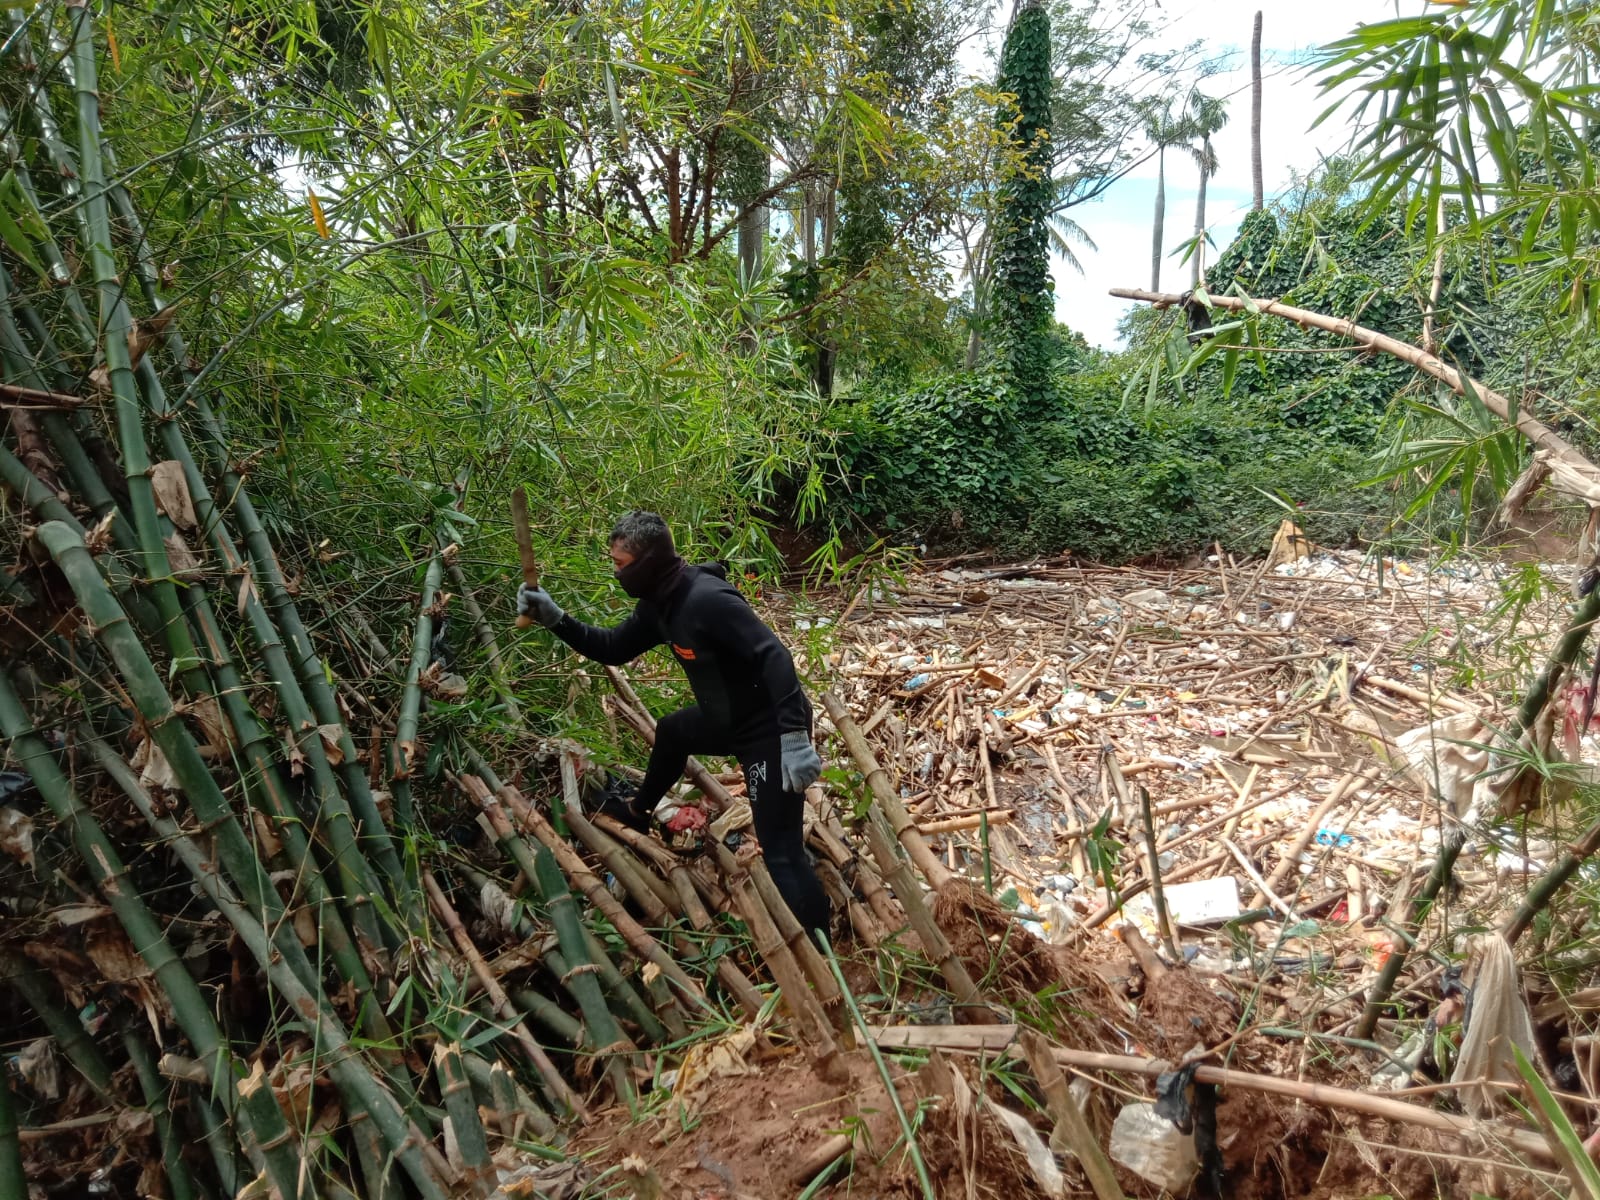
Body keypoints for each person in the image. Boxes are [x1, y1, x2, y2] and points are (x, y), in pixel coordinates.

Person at [516, 511, 832, 935]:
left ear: (647, 562)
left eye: (621, 564)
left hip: (769, 731)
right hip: (729, 721)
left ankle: (821, 952)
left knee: (781, 851)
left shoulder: (706, 599)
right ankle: (639, 811)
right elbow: (612, 648)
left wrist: (794, 737)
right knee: (673, 731)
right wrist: (556, 619)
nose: (616, 573)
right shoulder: (658, 606)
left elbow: (774, 656)